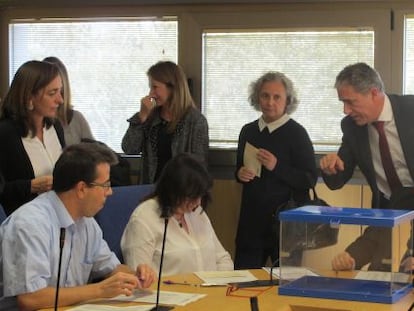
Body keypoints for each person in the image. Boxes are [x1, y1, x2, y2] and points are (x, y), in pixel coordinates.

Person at [0, 143, 155, 310]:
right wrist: (99, 290)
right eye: (106, 185)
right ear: (81, 189)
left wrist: (135, 275)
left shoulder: (87, 222)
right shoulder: (29, 224)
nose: (110, 192)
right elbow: (31, 298)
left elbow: (110, 267)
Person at [319, 63, 414, 271]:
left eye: (351, 102)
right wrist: (330, 168)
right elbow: (338, 177)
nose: (346, 110)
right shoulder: (352, 126)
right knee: (378, 279)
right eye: (342, 102)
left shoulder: (410, 111)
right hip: (387, 215)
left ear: (374, 93)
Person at [234, 71, 317, 269]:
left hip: (286, 226)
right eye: (265, 95)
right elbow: (238, 167)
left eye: (276, 96)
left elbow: (309, 179)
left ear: (287, 100)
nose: (270, 102)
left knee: (284, 285)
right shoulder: (248, 131)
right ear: (257, 98)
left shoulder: (297, 133)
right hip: (251, 224)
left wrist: (276, 166)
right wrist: (239, 174)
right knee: (243, 280)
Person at [121, 152, 233, 276]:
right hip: (170, 293)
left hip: (212, 291)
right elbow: (139, 277)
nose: (198, 202)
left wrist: (220, 286)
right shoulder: (144, 219)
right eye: (191, 197)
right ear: (173, 191)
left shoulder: (196, 212)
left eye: (200, 195)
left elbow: (223, 259)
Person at [121, 61, 209, 184]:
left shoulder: (195, 121)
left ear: (172, 87)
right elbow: (129, 148)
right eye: (150, 87)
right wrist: (141, 117)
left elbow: (198, 166)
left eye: (155, 87)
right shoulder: (151, 117)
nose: (151, 93)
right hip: (150, 191)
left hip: (180, 193)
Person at [0, 60, 65, 215]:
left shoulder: (55, 127)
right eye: (52, 93)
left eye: (60, 91)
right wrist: (31, 186)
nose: (60, 100)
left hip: (57, 215)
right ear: (29, 96)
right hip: (23, 220)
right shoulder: (5, 133)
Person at [43, 56, 95, 145]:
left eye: (57, 90)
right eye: (51, 92)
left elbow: (94, 153)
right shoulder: (34, 123)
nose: (59, 99)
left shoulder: (76, 119)